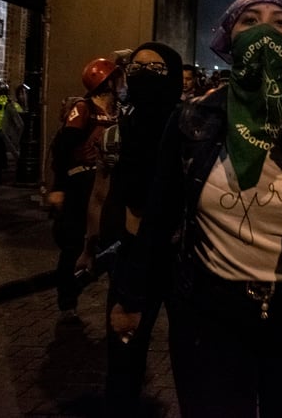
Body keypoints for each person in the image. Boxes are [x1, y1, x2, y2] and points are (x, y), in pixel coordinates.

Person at [109, 0, 282, 417]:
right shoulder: (193, 116)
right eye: (250, 21)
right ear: (229, 38)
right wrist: (132, 296)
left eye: (280, 22)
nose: (264, 32)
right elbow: (160, 216)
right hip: (208, 317)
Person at [76, 42, 183, 415]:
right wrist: (89, 248)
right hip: (133, 258)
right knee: (123, 358)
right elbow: (100, 196)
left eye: (155, 71)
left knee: (192, 360)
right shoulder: (116, 136)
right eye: (135, 69)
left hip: (185, 260)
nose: (142, 77)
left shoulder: (194, 133)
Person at [47, 58, 122, 317]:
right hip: (80, 183)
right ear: (106, 81)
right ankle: (67, 302)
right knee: (71, 244)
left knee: (111, 243)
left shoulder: (118, 110)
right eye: (116, 78)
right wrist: (58, 187)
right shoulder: (83, 108)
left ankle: (83, 283)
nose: (121, 83)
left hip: (107, 183)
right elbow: (63, 147)